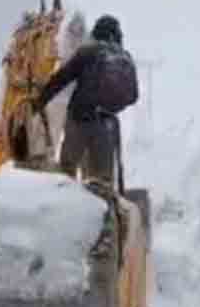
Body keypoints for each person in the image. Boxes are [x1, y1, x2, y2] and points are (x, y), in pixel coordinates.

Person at [33, 15, 138, 189]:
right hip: (107, 126)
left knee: (67, 172)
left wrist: (39, 102)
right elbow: (133, 96)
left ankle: (63, 209)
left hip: (79, 120)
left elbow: (61, 79)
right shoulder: (125, 57)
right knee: (102, 180)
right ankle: (104, 213)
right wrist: (109, 106)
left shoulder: (87, 52)